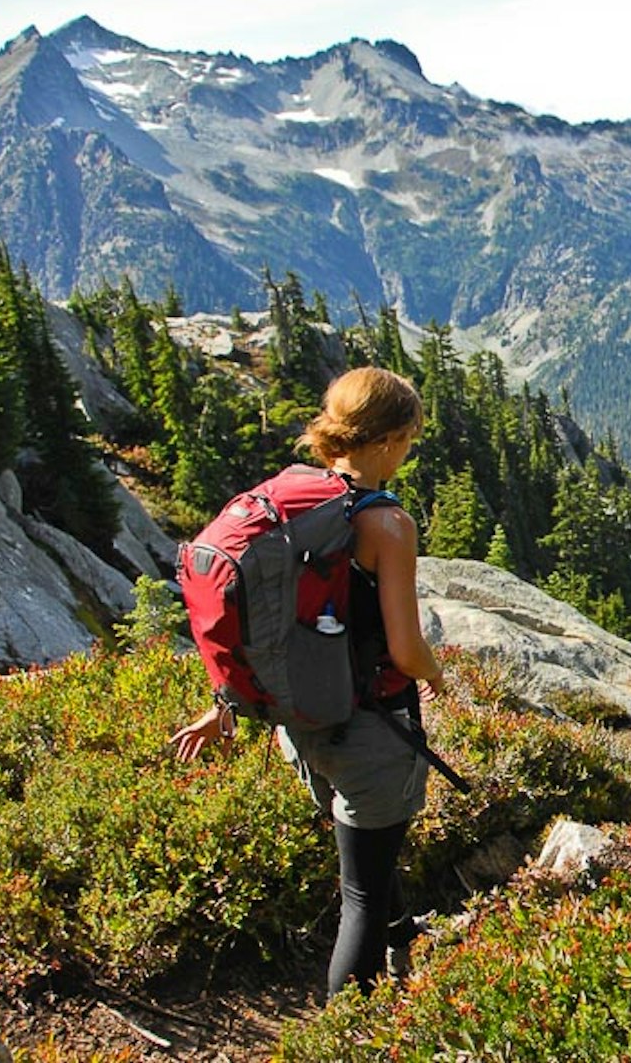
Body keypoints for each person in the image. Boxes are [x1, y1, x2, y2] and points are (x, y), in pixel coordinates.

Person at [169, 366, 447, 995]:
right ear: (387, 440)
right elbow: (406, 651)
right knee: (362, 898)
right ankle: (346, 1029)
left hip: (300, 726)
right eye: (408, 440)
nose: (408, 454)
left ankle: (404, 940)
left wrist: (226, 703)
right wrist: (438, 674)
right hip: (371, 734)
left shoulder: (294, 503)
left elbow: (256, 615)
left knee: (369, 858)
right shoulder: (387, 526)